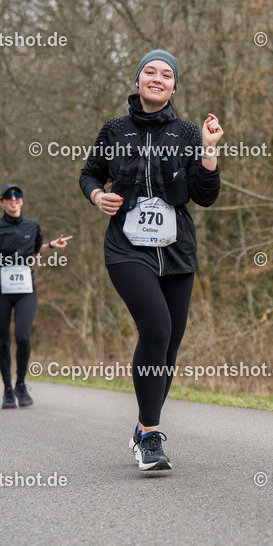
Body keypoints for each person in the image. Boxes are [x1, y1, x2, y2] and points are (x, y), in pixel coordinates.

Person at [79, 49, 222, 471]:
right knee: (155, 327)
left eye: (166, 74)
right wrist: (96, 195)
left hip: (177, 250)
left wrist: (210, 151)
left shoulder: (189, 133)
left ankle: (143, 430)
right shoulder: (114, 129)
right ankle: (152, 436)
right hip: (127, 247)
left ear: (174, 86)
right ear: (138, 80)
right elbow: (89, 173)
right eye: (149, 72)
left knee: (170, 344)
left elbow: (206, 196)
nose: (157, 78)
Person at [0, 184, 71, 409]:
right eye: (8, 196)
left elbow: (36, 251)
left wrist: (52, 246)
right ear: (2, 202)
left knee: (23, 337)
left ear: (22, 200)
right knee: (3, 341)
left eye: (17, 195)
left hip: (26, 289)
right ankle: (7, 389)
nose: (14, 199)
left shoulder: (32, 225)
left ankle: (20, 383)